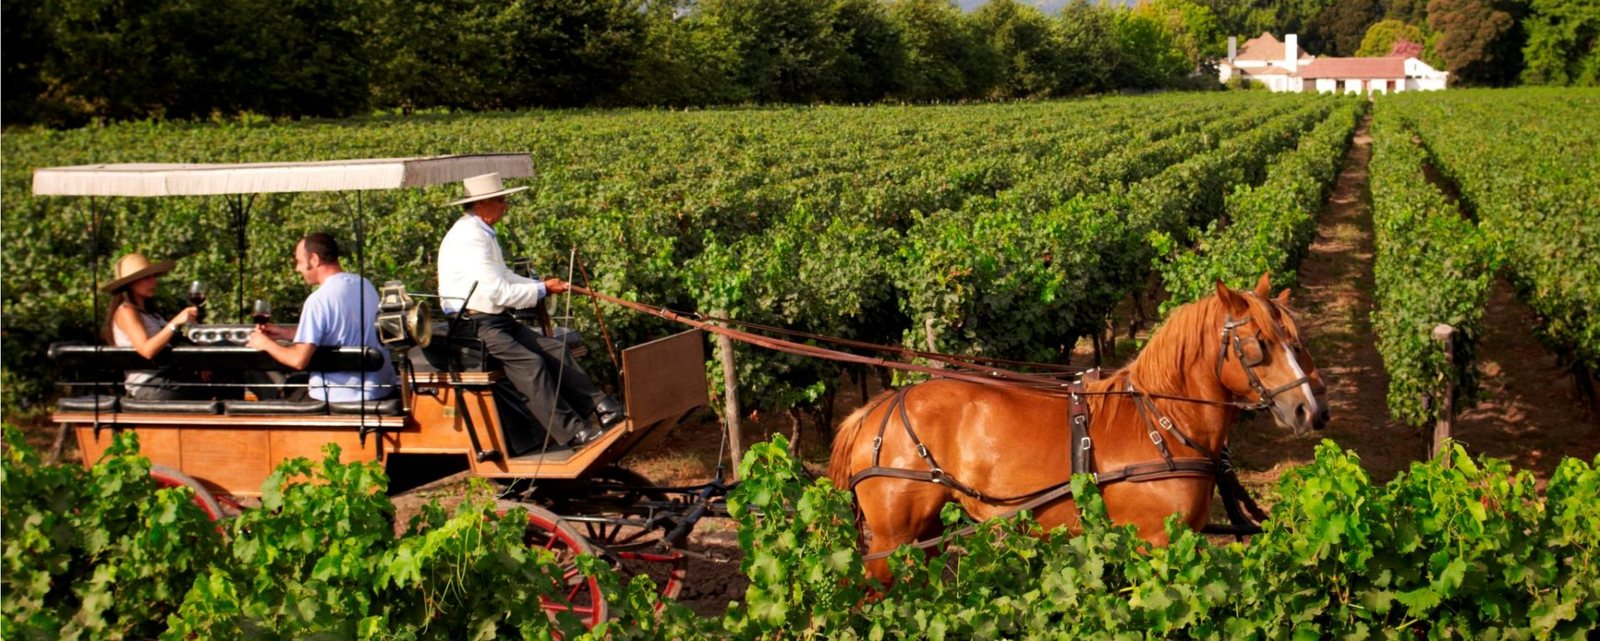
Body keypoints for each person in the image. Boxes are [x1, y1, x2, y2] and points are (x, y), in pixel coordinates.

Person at [437, 172, 623, 455]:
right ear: (482, 203)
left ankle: (602, 407)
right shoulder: (470, 239)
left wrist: (540, 285)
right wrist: (541, 290)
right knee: (530, 364)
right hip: (472, 324)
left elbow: (504, 275)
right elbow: (499, 292)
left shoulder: (481, 232)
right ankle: (573, 431)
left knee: (555, 349)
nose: (505, 205)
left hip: (494, 318)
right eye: (500, 200)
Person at [247, 232, 396, 402]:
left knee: (268, 383)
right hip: (379, 391)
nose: (297, 269)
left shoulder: (318, 299)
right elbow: (341, 331)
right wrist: (285, 333)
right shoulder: (365, 285)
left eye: (299, 262)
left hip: (339, 398)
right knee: (295, 382)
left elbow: (298, 361)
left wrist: (264, 343)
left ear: (314, 259)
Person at [102, 253, 223, 400]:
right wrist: (175, 322)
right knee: (221, 381)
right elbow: (147, 350)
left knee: (225, 369)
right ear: (132, 283)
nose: (154, 282)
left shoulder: (151, 313)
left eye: (154, 276)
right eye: (147, 278)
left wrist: (198, 362)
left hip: (170, 376)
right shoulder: (126, 311)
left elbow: (172, 341)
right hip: (151, 384)